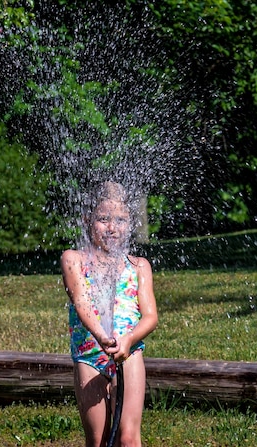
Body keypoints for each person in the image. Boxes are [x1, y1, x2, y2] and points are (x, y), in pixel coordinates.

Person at [61, 181, 158, 447]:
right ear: (87, 220)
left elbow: (151, 317)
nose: (112, 228)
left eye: (120, 220)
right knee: (98, 440)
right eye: (103, 219)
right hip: (90, 355)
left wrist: (127, 341)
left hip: (129, 353)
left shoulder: (139, 266)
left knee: (128, 439)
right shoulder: (74, 259)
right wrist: (102, 337)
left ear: (130, 224)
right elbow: (81, 302)